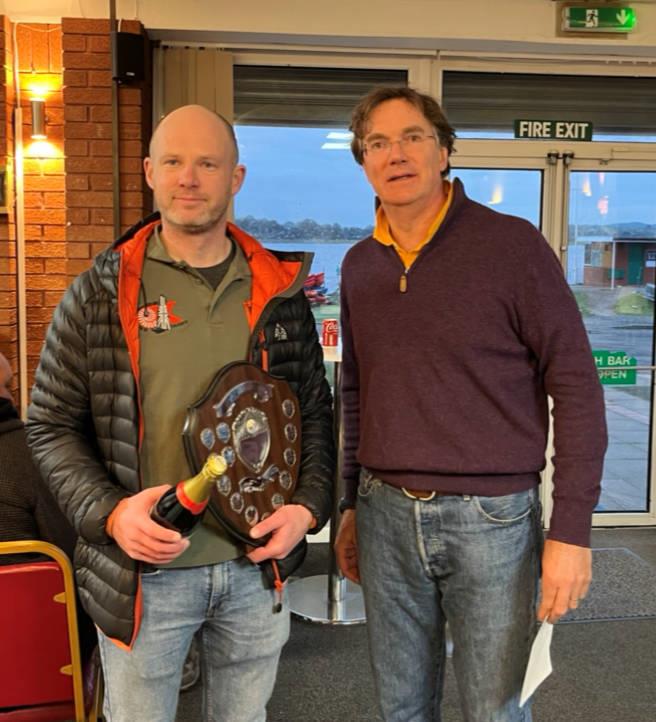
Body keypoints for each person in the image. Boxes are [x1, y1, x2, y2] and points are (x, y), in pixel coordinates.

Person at [26, 104, 335, 722]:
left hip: (255, 571)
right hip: (143, 578)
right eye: (173, 161)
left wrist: (306, 508)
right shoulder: (99, 291)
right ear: (149, 172)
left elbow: (314, 416)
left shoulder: (278, 290)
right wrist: (109, 514)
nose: (188, 177)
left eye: (207, 163)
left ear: (236, 178)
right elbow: (51, 423)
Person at [334, 86, 607, 722]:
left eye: (412, 137)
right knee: (400, 708)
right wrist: (349, 505)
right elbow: (357, 392)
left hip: (493, 524)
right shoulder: (358, 266)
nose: (395, 154)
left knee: (496, 710)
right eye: (377, 142)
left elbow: (576, 386)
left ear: (444, 151)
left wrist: (570, 530)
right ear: (363, 161)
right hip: (383, 515)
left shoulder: (513, 248)